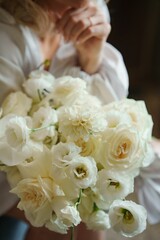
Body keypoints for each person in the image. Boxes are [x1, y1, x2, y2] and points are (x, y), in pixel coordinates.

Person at [0, 0, 129, 239]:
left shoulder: (91, 11)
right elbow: (9, 150)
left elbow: (105, 108)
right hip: (7, 167)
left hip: (51, 155)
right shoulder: (5, 35)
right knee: (72, 212)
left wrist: (92, 56)